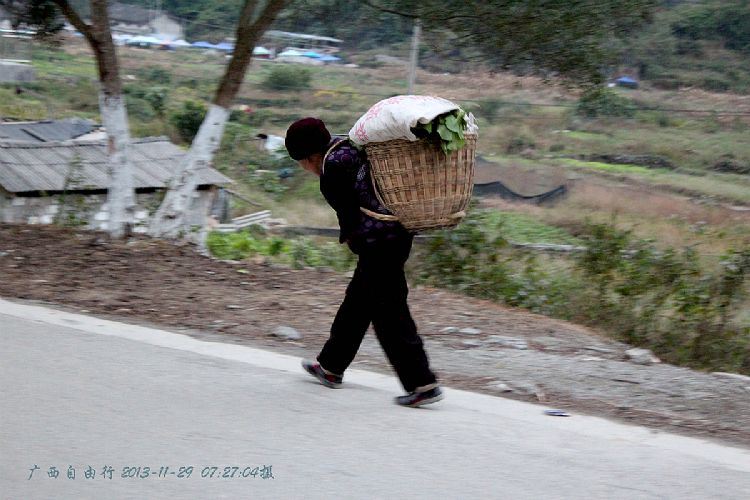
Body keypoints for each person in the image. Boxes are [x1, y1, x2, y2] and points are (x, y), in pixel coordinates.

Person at [285, 117, 443, 408]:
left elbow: (349, 217)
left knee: (389, 314)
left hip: (379, 245)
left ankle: (422, 383)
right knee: (357, 304)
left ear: (309, 157)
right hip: (398, 233)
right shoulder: (347, 146)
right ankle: (331, 367)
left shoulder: (331, 169)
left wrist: (355, 243)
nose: (302, 168)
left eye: (300, 161)